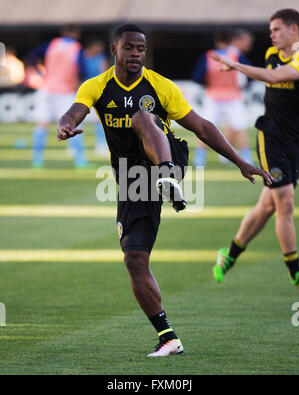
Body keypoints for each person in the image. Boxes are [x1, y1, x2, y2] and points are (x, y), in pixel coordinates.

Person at [57, 24, 272, 357]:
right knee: (134, 258)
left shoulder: (160, 86)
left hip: (167, 157)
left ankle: (168, 177)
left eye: (141, 49)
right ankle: (168, 336)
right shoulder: (96, 86)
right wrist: (66, 124)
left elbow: (201, 126)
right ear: (115, 50)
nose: (136, 54)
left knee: (142, 117)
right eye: (129, 48)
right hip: (132, 178)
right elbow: (76, 110)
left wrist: (240, 162)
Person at [211, 9, 299, 288]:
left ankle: (230, 253)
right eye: (271, 30)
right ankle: (296, 271)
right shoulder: (272, 55)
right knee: (284, 201)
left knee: (266, 207)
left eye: (276, 29)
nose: (271, 34)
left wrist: (236, 65)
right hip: (271, 136)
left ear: (293, 29)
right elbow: (271, 75)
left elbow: (274, 78)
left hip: (295, 141)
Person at [26, 24, 88, 169]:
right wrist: (77, 83)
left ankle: (37, 160)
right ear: (75, 34)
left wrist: (40, 73)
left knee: (41, 125)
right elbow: (83, 71)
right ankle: (80, 161)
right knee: (73, 124)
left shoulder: (52, 44)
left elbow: (31, 56)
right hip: (66, 92)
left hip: (47, 89)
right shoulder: (77, 48)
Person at [191, 29, 254, 167]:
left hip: (213, 96)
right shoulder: (235, 55)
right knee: (240, 128)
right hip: (233, 96)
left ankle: (199, 159)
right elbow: (250, 73)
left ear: (215, 41)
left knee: (205, 129)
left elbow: (197, 77)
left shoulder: (208, 56)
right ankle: (246, 158)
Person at [78, 37, 110, 156]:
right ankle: (74, 145)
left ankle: (101, 144)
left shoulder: (101, 58)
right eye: (98, 46)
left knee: (100, 119)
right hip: (83, 90)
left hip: (97, 91)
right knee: (77, 117)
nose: (100, 49)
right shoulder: (82, 57)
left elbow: (104, 74)